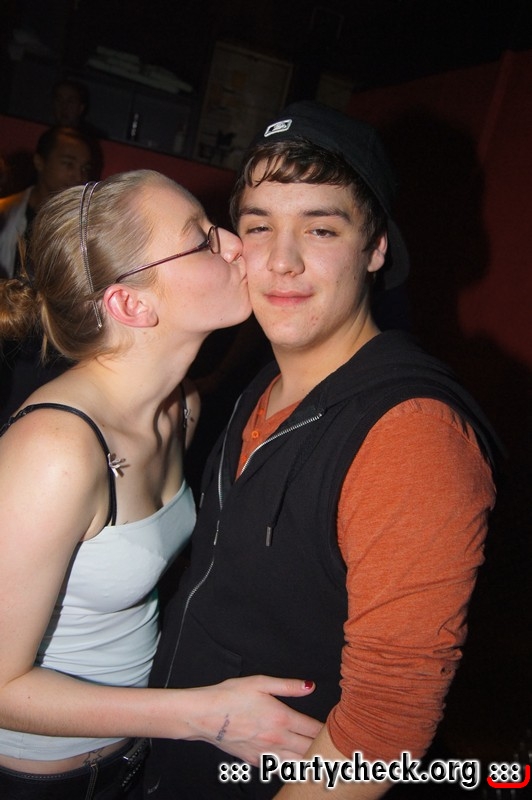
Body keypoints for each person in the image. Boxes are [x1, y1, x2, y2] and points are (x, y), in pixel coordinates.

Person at [146, 101, 500, 798]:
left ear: (376, 248)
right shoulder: (265, 383)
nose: (281, 261)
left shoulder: (411, 437)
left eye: (321, 228)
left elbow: (383, 729)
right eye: (259, 226)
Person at [0, 169, 322, 800]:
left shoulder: (181, 407)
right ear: (131, 304)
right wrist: (203, 715)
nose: (236, 244)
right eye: (202, 240)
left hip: (130, 756)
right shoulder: (56, 451)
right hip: (35, 779)